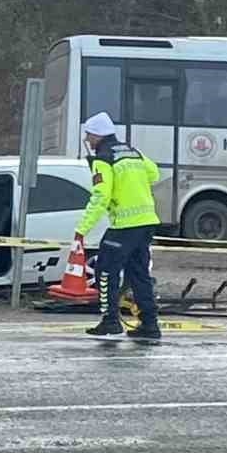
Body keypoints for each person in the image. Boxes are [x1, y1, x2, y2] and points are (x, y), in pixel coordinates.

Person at [73, 112, 162, 343]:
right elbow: (154, 173)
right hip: (147, 222)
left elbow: (100, 195)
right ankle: (150, 324)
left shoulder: (103, 158)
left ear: (96, 135)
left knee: (105, 270)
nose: (87, 140)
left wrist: (82, 228)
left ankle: (110, 321)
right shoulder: (133, 152)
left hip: (124, 225)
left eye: (88, 135)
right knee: (139, 274)